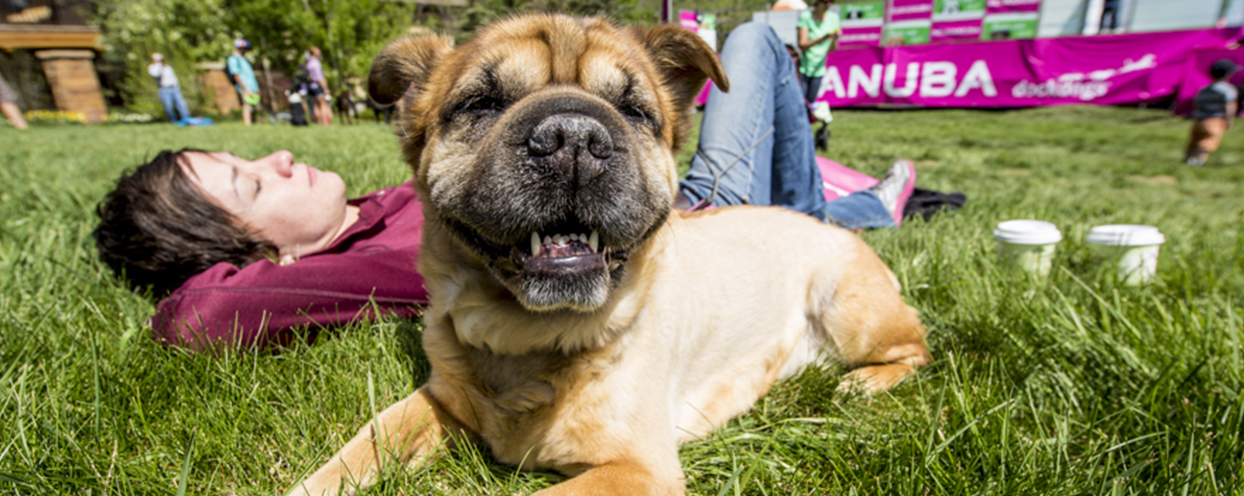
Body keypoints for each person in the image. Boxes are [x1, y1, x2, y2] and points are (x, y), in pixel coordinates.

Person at [93, 22, 919, 351]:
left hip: (677, 206)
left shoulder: (391, 197)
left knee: (759, 50)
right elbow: (199, 316)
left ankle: (843, 203)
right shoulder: (371, 261)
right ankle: (852, 204)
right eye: (249, 183)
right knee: (759, 39)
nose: (278, 159)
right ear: (254, 248)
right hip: (716, 217)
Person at [1185, 59, 1240, 166]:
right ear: (1228, 74)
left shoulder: (1204, 89)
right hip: (1215, 120)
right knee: (1208, 140)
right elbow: (1229, 106)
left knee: (1194, 140)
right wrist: (1229, 120)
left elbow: (1197, 102)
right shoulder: (1228, 90)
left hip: (1199, 119)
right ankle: (1200, 161)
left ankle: (1189, 160)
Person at [796, 0, 842, 106]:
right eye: (826, 1)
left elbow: (832, 49)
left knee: (810, 102)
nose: (829, 5)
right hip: (803, 68)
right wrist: (824, 37)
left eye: (831, 1)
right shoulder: (806, 17)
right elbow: (802, 45)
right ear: (818, 2)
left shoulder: (833, 18)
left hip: (819, 69)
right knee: (799, 103)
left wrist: (834, 38)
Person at [148, 53, 192, 124]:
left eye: (160, 60)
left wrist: (177, 85)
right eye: (157, 60)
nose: (160, 61)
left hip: (174, 88)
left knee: (182, 105)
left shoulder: (167, 67)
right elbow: (156, 74)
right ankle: (173, 121)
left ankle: (187, 120)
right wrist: (159, 66)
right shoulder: (152, 68)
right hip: (164, 89)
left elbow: (173, 77)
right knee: (168, 107)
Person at [227, 38, 261, 126]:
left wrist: (256, 88)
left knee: (255, 107)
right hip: (244, 87)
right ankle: (247, 124)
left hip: (252, 87)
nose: (244, 51)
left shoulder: (244, 59)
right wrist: (245, 88)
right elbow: (236, 74)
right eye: (242, 49)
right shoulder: (233, 59)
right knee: (247, 106)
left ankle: (253, 125)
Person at [306, 47, 332, 126]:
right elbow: (319, 77)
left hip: (310, 86)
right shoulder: (315, 63)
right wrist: (325, 88)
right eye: (319, 52)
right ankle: (324, 123)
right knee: (323, 104)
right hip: (317, 86)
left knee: (316, 104)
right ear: (314, 53)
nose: (320, 54)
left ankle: (318, 122)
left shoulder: (308, 62)